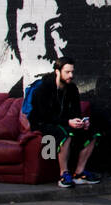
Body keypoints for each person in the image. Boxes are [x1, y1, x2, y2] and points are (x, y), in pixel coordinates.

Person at [28, 57, 101, 188]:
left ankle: (79, 173)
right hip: (42, 123)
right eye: (67, 72)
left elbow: (76, 112)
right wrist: (68, 122)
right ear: (57, 71)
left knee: (92, 132)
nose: (71, 75)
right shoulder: (44, 88)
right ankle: (64, 174)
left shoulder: (72, 89)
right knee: (65, 133)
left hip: (63, 122)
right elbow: (44, 116)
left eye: (72, 72)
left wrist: (81, 122)